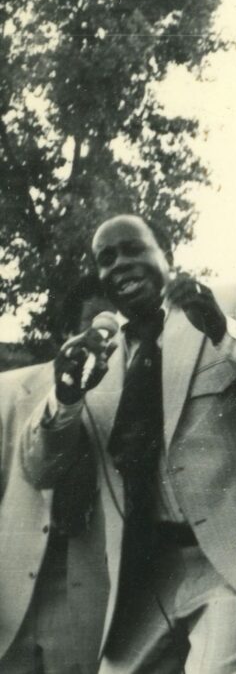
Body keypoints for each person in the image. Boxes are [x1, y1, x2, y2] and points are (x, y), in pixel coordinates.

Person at [20, 214, 236, 673]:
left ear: (165, 253)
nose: (120, 264)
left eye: (133, 248)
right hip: (148, 570)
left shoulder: (231, 302)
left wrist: (222, 330)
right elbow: (41, 469)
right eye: (106, 259)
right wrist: (66, 398)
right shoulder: (97, 354)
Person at [0, 276, 114, 673]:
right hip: (9, 582)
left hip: (84, 590)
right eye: (93, 324)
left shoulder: (130, 399)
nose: (103, 337)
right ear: (67, 330)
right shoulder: (9, 390)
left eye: (115, 326)